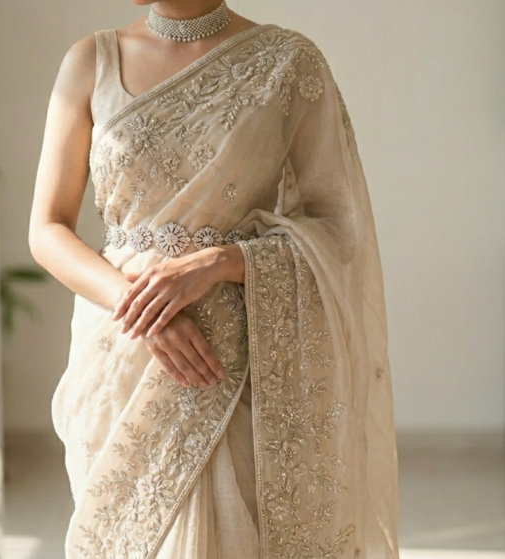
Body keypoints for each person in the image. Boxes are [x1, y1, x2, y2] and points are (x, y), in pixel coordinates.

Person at [29, 1, 399, 557]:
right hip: (121, 351)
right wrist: (139, 310)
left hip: (233, 361)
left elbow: (338, 225)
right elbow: (47, 229)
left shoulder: (287, 62)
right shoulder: (91, 61)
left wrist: (219, 262)